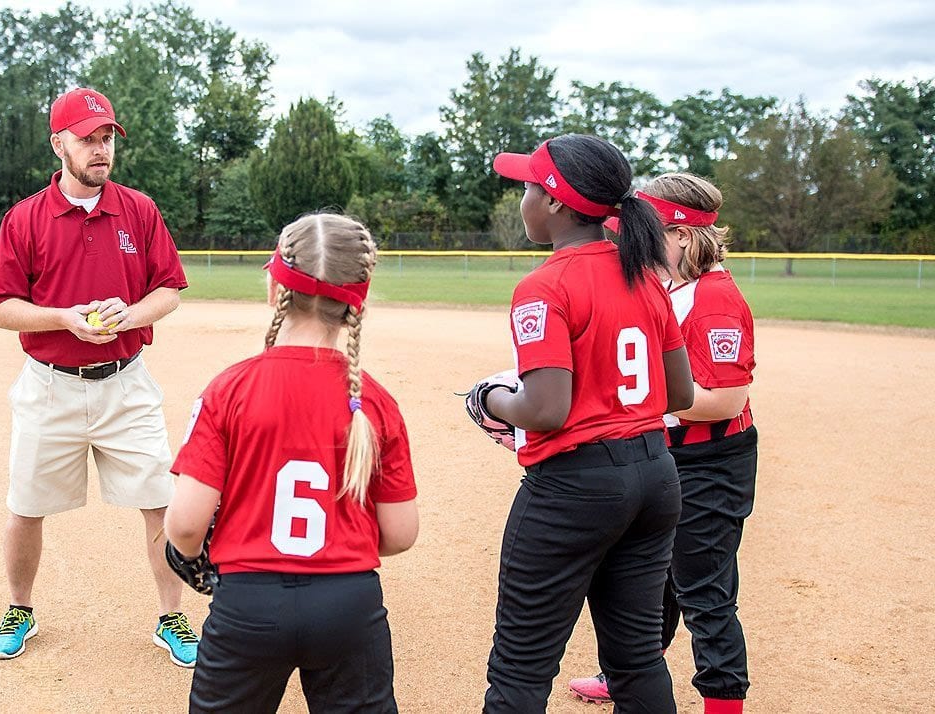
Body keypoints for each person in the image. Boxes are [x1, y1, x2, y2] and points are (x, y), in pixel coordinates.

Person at [472, 134, 695, 713]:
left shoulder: (544, 285)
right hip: (655, 474)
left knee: (520, 669)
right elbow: (679, 392)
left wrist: (490, 399)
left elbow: (544, 409)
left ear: (555, 204)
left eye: (527, 187)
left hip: (576, 487)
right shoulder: (645, 275)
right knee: (637, 659)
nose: (522, 199)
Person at [164, 212, 420, 713]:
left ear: (277, 288)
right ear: (358, 302)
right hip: (350, 606)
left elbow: (186, 526)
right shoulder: (375, 402)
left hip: (247, 606)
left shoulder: (230, 389)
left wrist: (203, 550)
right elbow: (400, 533)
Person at [0, 87, 199, 667]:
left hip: (126, 383)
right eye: (87, 139)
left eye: (107, 139)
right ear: (59, 144)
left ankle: (171, 616)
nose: (101, 150)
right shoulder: (25, 218)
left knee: (161, 501)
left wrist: (134, 313)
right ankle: (19, 607)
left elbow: (169, 289)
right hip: (48, 383)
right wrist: (62, 320)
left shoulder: (139, 209)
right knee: (26, 505)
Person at [568, 173, 758, 714]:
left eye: (643, 230)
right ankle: (631, 673)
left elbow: (724, 398)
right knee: (655, 577)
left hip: (710, 461)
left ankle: (723, 702)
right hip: (672, 451)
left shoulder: (715, 299)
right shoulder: (672, 285)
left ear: (678, 234)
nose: (630, 239)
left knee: (705, 593)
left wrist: (638, 398)